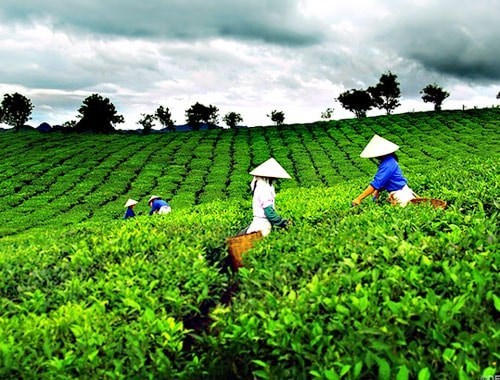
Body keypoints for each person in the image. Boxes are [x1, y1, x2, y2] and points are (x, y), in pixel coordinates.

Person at [352, 134, 416, 207]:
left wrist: (359, 199)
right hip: (399, 192)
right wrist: (377, 191)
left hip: (401, 194)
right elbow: (384, 180)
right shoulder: (388, 160)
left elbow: (377, 182)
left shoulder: (388, 163)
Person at [244, 158, 291, 237]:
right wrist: (283, 223)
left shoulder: (261, 185)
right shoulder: (263, 188)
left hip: (259, 222)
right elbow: (269, 212)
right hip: (262, 225)